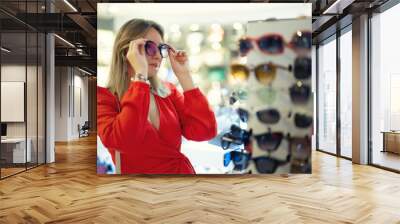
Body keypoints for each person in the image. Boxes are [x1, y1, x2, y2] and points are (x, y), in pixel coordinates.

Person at [97, 19, 217, 174]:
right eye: (150, 47)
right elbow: (124, 141)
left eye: (161, 49)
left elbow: (205, 131)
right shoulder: (104, 98)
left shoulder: (167, 92)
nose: (159, 56)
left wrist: (185, 76)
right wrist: (140, 76)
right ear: (126, 51)